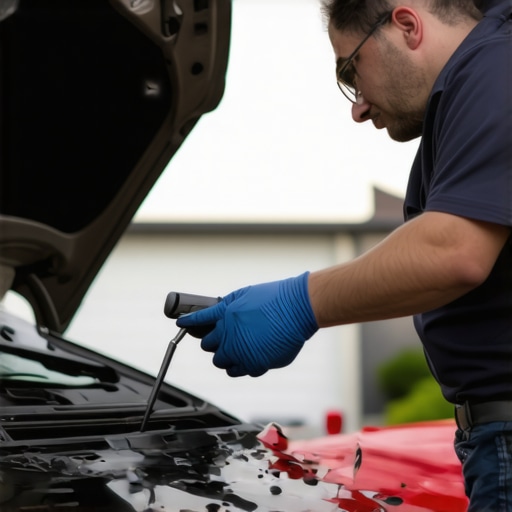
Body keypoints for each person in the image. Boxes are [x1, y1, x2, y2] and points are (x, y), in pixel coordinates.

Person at [177, 0, 512, 509]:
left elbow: (454, 251)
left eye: (350, 68)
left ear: (406, 25)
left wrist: (298, 302)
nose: (357, 106)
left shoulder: (495, 66)